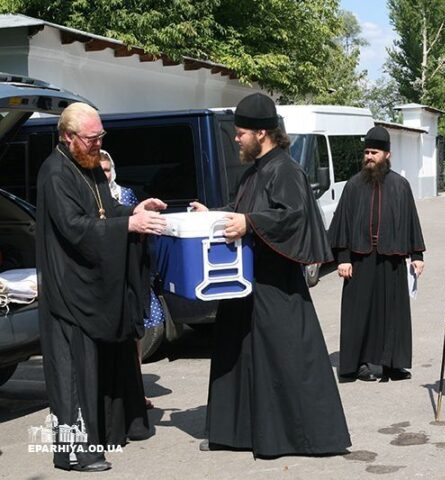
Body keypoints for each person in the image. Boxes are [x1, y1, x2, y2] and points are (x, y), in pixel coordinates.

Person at [191, 93, 351, 457]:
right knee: (240, 357)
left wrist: (249, 223)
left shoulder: (285, 169)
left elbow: (292, 217)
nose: (236, 138)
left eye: (241, 132)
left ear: (261, 133)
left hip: (276, 285)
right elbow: (242, 210)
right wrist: (211, 215)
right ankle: (236, 434)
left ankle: (303, 437)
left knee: (286, 360)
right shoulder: (255, 171)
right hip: (246, 284)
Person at [36, 102, 168, 472]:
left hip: (91, 287)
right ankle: (74, 453)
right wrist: (128, 226)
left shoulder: (90, 165)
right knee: (72, 375)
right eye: (91, 138)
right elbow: (75, 227)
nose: (98, 144)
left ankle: (106, 435)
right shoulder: (55, 172)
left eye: (101, 137)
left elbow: (105, 210)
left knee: (96, 368)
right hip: (68, 289)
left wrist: (135, 212)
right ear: (68, 136)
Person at [328, 126, 426, 382]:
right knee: (359, 314)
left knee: (393, 312)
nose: (369, 156)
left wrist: (417, 255)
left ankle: (394, 364)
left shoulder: (400, 185)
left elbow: (411, 221)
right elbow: (342, 223)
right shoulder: (353, 185)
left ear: (387, 155)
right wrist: (343, 258)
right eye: (367, 152)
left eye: (374, 152)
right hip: (359, 258)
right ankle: (357, 364)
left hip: (391, 258)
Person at [100, 150, 165, 409]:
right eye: (100, 171)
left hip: (131, 268)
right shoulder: (91, 196)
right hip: (107, 272)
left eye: (107, 170)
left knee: (136, 331)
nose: (105, 174)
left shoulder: (125, 194)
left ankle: (136, 389)